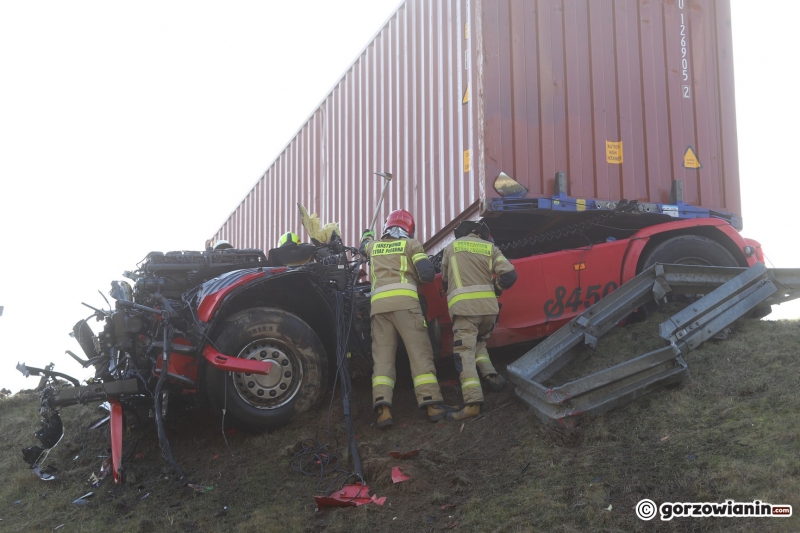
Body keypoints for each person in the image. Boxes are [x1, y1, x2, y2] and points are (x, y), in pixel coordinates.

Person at [360, 209, 454, 428]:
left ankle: (383, 410)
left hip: (379, 310)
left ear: (387, 227)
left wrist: (366, 235)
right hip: (406, 307)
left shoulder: (374, 247)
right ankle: (431, 405)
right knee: (419, 354)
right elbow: (427, 274)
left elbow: (362, 246)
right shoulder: (411, 245)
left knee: (382, 360)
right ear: (408, 229)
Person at [440, 220, 518, 421]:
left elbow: (445, 281)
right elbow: (509, 275)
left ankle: (472, 403)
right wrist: (497, 289)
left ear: (461, 234)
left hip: (465, 310)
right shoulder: (489, 247)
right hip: (489, 310)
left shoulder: (451, 248)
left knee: (464, 352)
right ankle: (491, 377)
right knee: (479, 342)